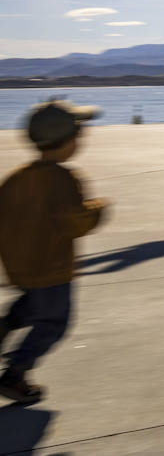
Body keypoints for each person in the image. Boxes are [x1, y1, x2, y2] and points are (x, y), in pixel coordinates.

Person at [0, 101, 109, 406]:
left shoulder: (17, 177)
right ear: (71, 141)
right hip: (51, 267)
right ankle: (15, 374)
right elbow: (77, 222)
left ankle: (4, 326)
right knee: (54, 322)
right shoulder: (64, 180)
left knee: (35, 302)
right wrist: (99, 209)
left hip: (19, 264)